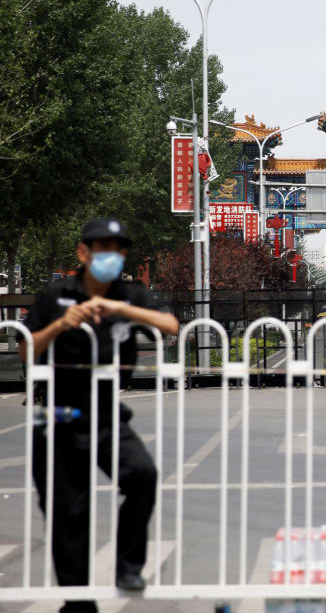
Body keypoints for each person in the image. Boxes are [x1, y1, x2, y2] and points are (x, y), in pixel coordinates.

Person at [19, 218, 179, 613]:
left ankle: (128, 567)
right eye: (102, 248)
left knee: (142, 474)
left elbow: (171, 325)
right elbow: (26, 349)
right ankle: (78, 603)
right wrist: (60, 325)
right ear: (83, 253)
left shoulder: (129, 294)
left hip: (107, 415)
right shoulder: (57, 295)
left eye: (118, 249)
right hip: (56, 416)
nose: (111, 256)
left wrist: (119, 307)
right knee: (67, 512)